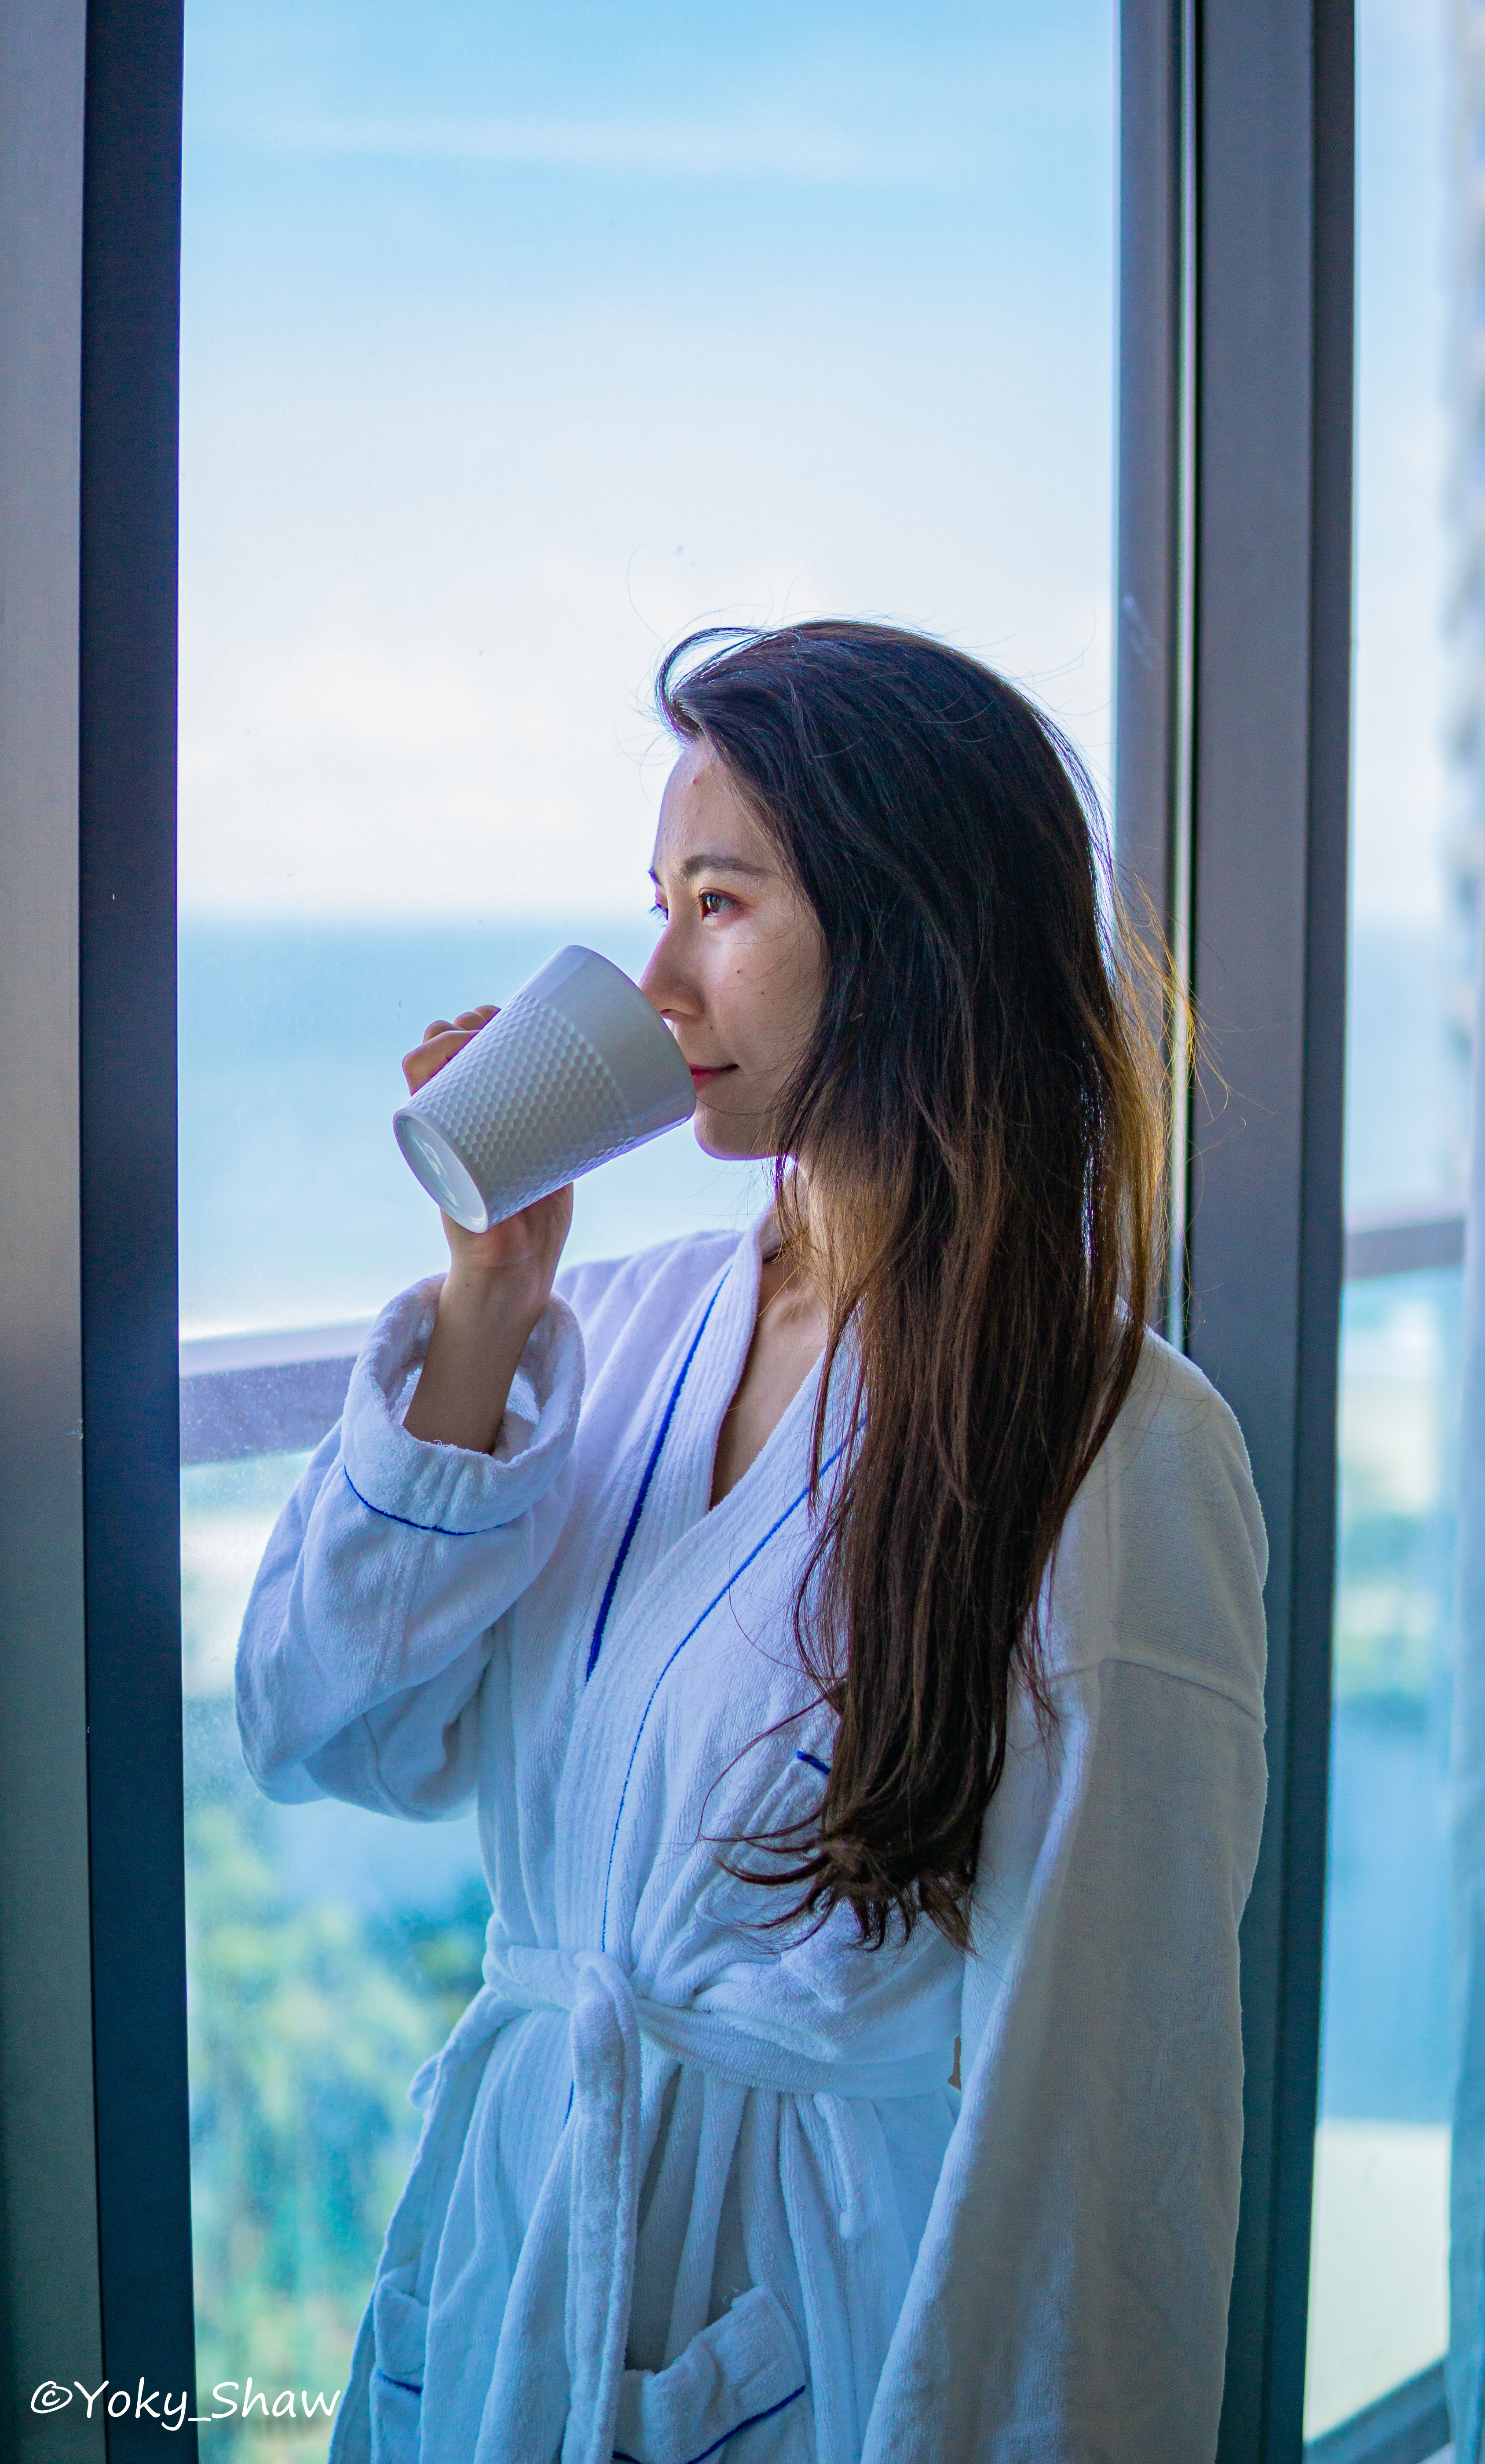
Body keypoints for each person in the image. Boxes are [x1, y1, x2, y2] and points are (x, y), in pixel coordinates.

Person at [235, 621, 1268, 2464]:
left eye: (720, 904)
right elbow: (325, 1735)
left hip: (819, 2318)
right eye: (656, 903)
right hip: (516, 2245)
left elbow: (1100, 2134)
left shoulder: (1116, 1447)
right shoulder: (610, 1339)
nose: (652, 982)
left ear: (910, 934)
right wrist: (485, 1304)